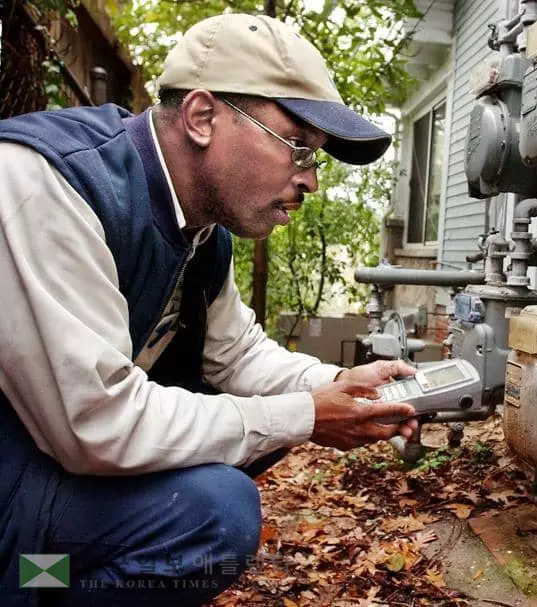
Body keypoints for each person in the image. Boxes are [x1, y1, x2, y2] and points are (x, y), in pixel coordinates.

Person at [0, 13, 419, 606]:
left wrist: (341, 386)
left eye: (315, 158)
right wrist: (306, 415)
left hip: (45, 477)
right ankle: (29, 586)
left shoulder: (201, 231)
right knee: (215, 513)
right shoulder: (49, 184)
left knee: (255, 439)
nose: (310, 181)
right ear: (202, 117)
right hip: (15, 486)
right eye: (298, 148)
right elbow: (96, 424)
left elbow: (237, 354)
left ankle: (48, 581)